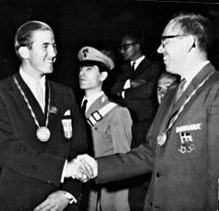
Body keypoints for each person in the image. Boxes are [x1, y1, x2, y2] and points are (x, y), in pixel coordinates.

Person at [76, 12, 219, 210]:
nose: (160, 49)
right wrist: (95, 167)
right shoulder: (170, 95)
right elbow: (149, 153)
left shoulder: (215, 90)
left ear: (188, 43)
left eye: (165, 41)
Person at [0, 20, 89, 211]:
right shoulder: (3, 93)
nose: (54, 54)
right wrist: (64, 169)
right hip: (18, 202)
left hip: (62, 203)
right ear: (24, 52)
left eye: (54, 46)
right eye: (45, 46)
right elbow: (9, 150)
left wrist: (69, 193)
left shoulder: (65, 94)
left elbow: (80, 148)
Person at [109, 32, 161, 211]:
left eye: (126, 47)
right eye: (121, 47)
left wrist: (123, 92)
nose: (122, 51)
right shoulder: (120, 69)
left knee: (143, 169)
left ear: (137, 45)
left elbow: (148, 91)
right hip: (123, 125)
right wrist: (131, 84)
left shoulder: (154, 66)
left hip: (144, 124)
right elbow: (111, 89)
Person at [78, 46, 132, 211]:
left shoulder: (116, 112)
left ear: (103, 75)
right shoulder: (72, 109)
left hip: (99, 197)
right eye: (81, 69)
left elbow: (123, 166)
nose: (82, 73)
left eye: (89, 69)